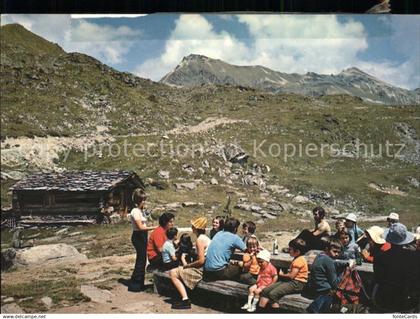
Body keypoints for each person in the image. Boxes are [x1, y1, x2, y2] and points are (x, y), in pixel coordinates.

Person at [372, 223, 420, 312]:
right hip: (408, 300)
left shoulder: (380, 257)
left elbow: (378, 278)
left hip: (385, 299)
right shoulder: (415, 256)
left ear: (389, 239)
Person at [170, 217, 211, 310]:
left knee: (173, 272)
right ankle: (185, 297)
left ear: (196, 228)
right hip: (206, 267)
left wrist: (188, 265)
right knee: (178, 270)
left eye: (193, 226)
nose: (192, 228)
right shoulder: (205, 238)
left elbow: (201, 261)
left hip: (202, 270)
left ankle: (185, 300)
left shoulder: (200, 240)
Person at [259, 238, 309, 311]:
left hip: (297, 283)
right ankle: (260, 311)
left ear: (297, 251)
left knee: (273, 294)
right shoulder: (296, 258)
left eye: (290, 249)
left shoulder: (299, 260)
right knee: (265, 291)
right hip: (291, 281)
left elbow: (291, 276)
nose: (289, 250)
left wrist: (281, 274)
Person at [304, 239, 343, 313]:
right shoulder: (328, 261)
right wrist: (343, 273)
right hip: (323, 292)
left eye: (338, 252)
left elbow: (334, 262)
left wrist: (345, 263)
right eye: (334, 251)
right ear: (327, 249)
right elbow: (335, 283)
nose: (337, 254)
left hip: (314, 288)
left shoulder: (320, 255)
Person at [128, 189, 156, 292]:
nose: (144, 202)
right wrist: (154, 228)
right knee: (140, 260)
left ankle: (139, 283)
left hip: (143, 236)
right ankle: (135, 285)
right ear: (138, 200)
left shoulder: (140, 211)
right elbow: (140, 227)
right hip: (138, 236)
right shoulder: (135, 211)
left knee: (142, 260)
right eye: (143, 200)